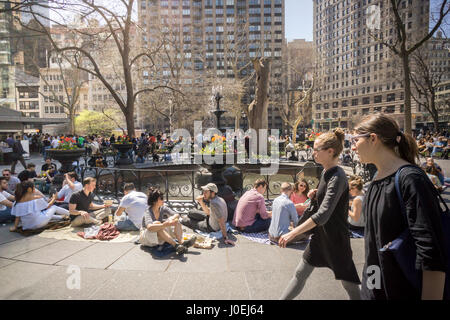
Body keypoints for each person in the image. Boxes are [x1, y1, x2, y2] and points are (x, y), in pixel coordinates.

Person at [352, 114, 447, 300]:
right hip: (376, 285)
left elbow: (431, 252)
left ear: (373, 138)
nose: (353, 146)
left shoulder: (411, 179)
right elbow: (373, 250)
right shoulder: (376, 179)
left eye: (355, 140)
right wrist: (369, 292)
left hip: (404, 290)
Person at [279, 128, 361, 300]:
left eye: (316, 149)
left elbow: (323, 214)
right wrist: (317, 193)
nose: (313, 152)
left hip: (336, 240)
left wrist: (293, 233)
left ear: (330, 152)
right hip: (320, 236)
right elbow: (329, 197)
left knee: (349, 284)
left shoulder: (338, 176)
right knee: (300, 273)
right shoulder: (326, 171)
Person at [139, 188, 196, 255]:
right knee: (157, 224)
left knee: (176, 221)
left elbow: (177, 214)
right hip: (147, 237)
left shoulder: (162, 208)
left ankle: (182, 242)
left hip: (158, 235)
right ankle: (176, 245)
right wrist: (165, 224)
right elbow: (149, 227)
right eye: (161, 198)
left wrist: (172, 218)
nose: (164, 200)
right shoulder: (148, 212)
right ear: (155, 201)